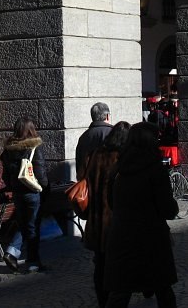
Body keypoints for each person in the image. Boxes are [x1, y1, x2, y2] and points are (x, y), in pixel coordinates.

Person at [104, 122, 178, 307]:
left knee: (120, 291)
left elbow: (111, 203)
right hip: (152, 237)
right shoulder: (155, 170)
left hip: (123, 236)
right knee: (163, 289)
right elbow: (168, 209)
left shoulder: (119, 168)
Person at [83, 121, 131, 308]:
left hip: (96, 219)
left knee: (100, 264)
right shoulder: (122, 158)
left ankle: (102, 301)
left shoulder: (95, 155)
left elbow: (84, 179)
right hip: (114, 220)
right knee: (118, 264)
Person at [0, 118, 48, 273]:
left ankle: (13, 252)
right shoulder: (34, 147)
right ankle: (32, 261)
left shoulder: (8, 150)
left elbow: (5, 175)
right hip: (32, 192)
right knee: (32, 226)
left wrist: (13, 186)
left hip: (17, 193)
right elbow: (40, 173)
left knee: (23, 224)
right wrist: (44, 188)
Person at [76, 102, 113, 179]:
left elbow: (79, 165)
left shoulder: (83, 137)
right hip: (107, 181)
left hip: (87, 183)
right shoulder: (112, 133)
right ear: (107, 116)